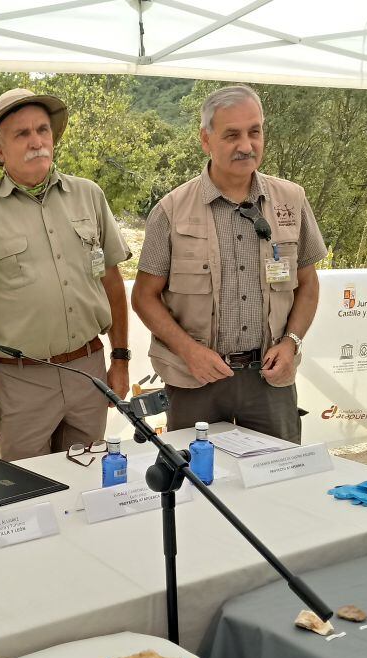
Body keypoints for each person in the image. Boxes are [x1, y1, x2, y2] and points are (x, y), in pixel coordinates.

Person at [131, 85, 327, 443]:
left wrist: (292, 342)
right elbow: (144, 297)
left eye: (255, 132)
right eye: (232, 135)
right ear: (206, 140)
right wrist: (189, 352)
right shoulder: (171, 210)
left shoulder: (292, 200)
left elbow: (309, 286)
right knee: (197, 489)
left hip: (269, 380)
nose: (246, 145)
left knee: (277, 487)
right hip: (196, 381)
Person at [0, 88, 132, 461]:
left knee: (86, 485)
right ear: (0, 151)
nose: (36, 141)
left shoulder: (89, 195)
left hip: (89, 370)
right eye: (22, 134)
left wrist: (121, 359)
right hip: (21, 379)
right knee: (27, 493)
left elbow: (112, 281)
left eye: (42, 130)